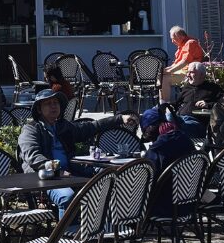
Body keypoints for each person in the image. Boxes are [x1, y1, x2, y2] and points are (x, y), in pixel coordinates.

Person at [18, 89, 137, 217]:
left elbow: (92, 127)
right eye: (48, 103)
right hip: (45, 178)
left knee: (109, 179)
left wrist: (120, 118)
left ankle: (103, 225)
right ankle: (68, 229)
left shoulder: (62, 126)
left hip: (70, 173)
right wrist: (56, 170)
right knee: (67, 197)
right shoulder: (31, 129)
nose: (53, 106)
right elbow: (33, 157)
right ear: (39, 109)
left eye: (56, 103)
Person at [141, 108, 196, 218]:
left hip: (164, 208)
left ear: (149, 129)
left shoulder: (157, 149)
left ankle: (125, 227)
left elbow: (145, 180)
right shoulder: (185, 140)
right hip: (190, 205)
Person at [160, 26, 206, 101]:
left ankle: (165, 103)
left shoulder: (190, 43)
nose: (172, 41)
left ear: (181, 37)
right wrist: (165, 70)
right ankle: (161, 102)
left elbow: (185, 62)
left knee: (164, 79)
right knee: (160, 76)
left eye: (173, 39)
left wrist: (169, 71)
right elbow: (176, 63)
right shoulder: (182, 45)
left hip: (190, 73)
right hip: (182, 71)